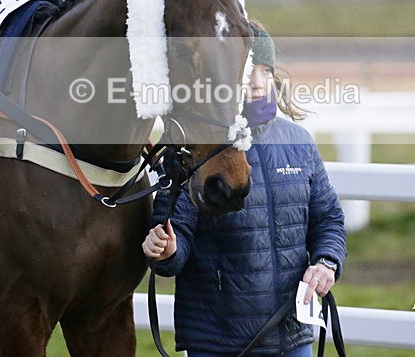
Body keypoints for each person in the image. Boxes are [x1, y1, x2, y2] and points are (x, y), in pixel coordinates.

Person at [143, 21, 347, 357]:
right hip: (216, 342)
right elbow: (173, 243)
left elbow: (328, 220)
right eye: (248, 70)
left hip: (291, 337)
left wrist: (327, 262)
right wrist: (165, 250)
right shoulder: (192, 148)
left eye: (263, 70)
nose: (254, 81)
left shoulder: (298, 142)